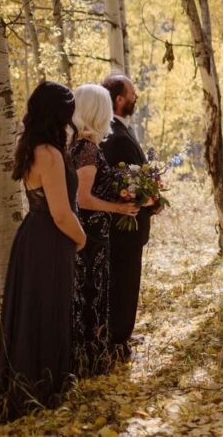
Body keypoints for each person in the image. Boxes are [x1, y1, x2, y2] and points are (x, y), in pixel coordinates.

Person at [0, 82, 87, 428]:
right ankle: (41, 391)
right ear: (59, 113)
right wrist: (81, 238)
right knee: (45, 310)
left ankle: (36, 388)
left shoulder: (35, 146)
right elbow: (60, 213)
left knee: (32, 312)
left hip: (34, 238)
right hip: (48, 239)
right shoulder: (49, 154)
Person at [69, 84, 139, 376]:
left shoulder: (81, 146)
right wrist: (120, 208)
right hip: (90, 236)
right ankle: (91, 360)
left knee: (92, 296)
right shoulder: (86, 149)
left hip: (94, 235)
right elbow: (83, 199)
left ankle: (93, 356)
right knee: (91, 296)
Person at [100, 74, 157, 360]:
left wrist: (153, 197)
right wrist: (148, 200)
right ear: (120, 99)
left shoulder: (122, 130)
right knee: (123, 283)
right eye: (132, 93)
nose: (136, 97)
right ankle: (118, 343)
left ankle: (124, 332)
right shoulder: (114, 136)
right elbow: (121, 184)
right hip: (125, 226)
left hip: (132, 221)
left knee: (127, 283)